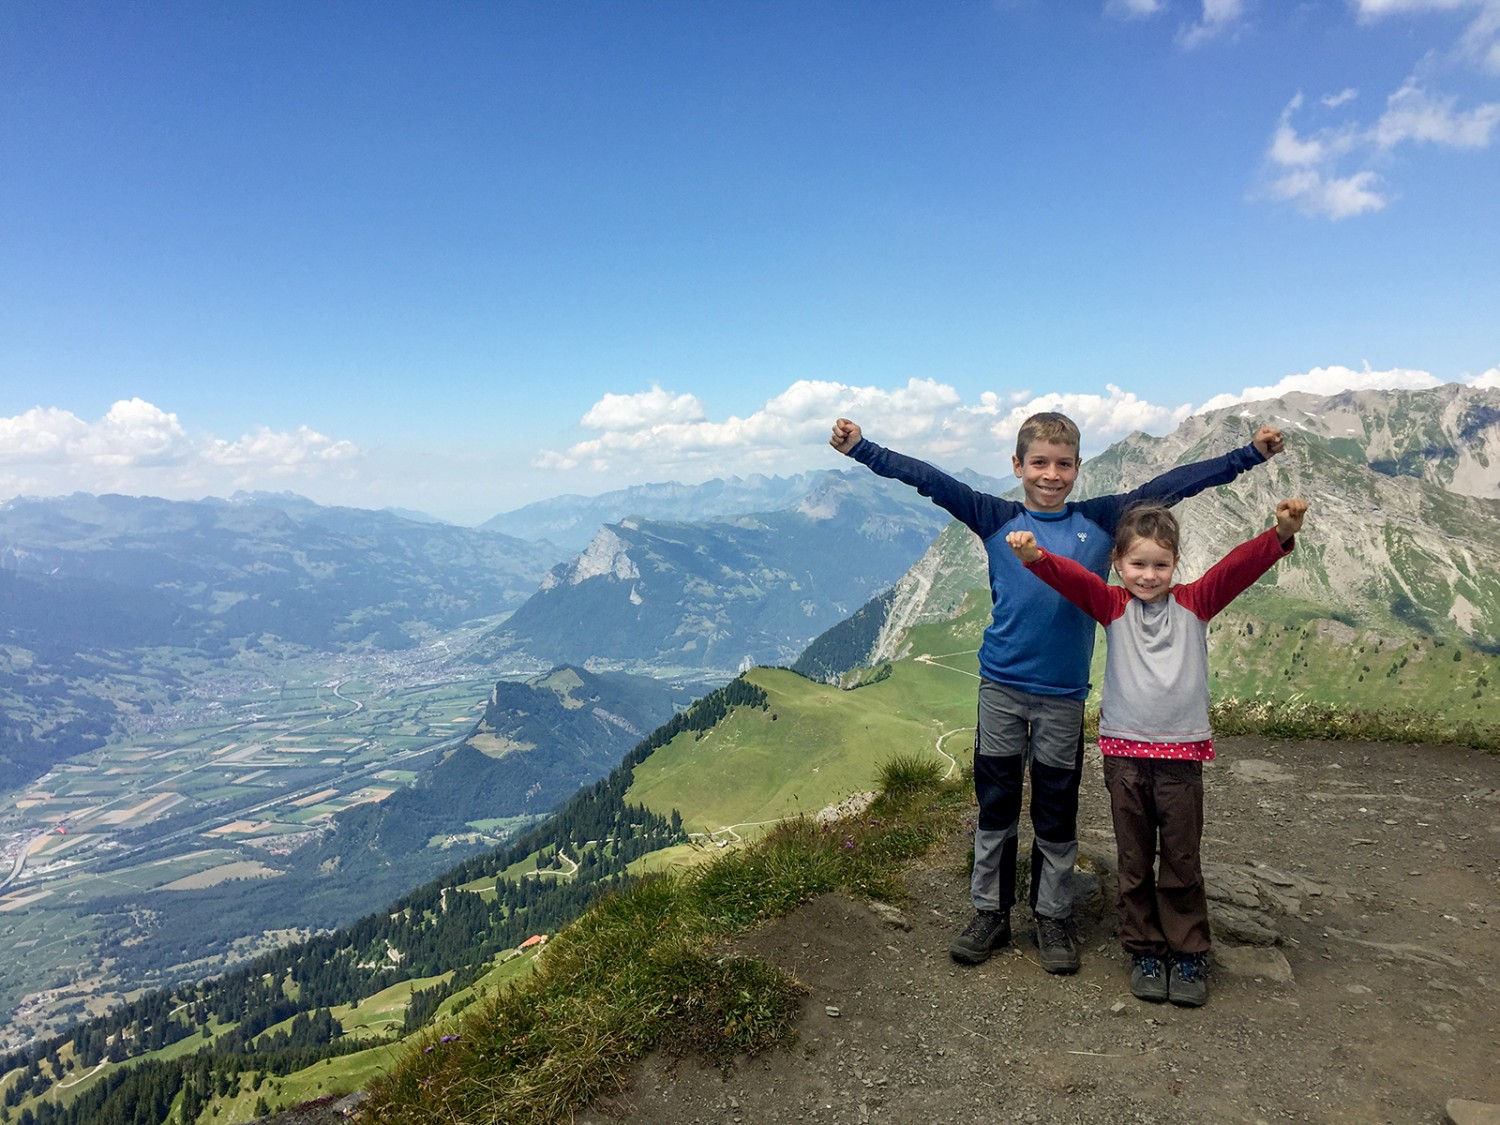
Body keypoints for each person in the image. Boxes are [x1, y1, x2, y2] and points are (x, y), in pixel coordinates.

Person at [829, 413, 1285, 974]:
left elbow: (1177, 484)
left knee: (1056, 808)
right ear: (1017, 466)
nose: (1051, 474)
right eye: (1038, 462)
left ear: (1077, 468)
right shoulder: (993, 515)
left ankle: (1052, 916)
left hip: (1064, 694)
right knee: (995, 807)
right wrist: (862, 449)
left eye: (1063, 464)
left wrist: (1250, 455)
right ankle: (989, 913)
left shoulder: (1101, 518)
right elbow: (930, 480)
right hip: (1000, 686)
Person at [1005, 497, 1308, 1005]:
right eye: (1138, 564)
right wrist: (1037, 558)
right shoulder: (1112, 605)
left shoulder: (1196, 601)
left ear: (1175, 566)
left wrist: (1278, 535)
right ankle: (1144, 948)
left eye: (1160, 565)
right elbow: (1074, 582)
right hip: (1124, 755)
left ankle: (1188, 954)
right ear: (1118, 565)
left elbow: (1237, 568)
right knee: (1134, 857)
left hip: (1181, 757)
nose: (1148, 575)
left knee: (1182, 859)